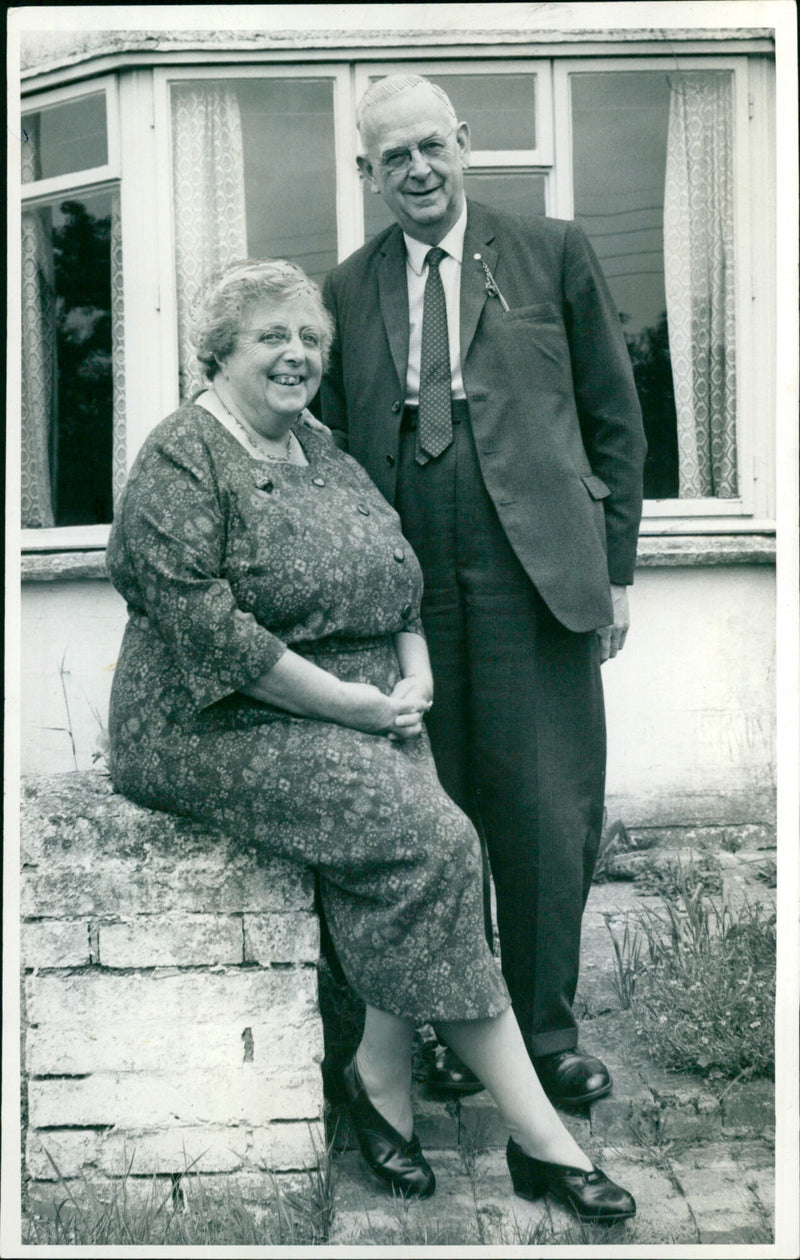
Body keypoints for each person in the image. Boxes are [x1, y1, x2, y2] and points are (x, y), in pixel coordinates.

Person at [105, 258, 635, 1222]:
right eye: (272, 335)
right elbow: (211, 631)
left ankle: (377, 1077)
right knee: (441, 843)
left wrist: (415, 669)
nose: (298, 354)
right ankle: (540, 1140)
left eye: (311, 338)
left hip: (358, 699)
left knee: (425, 848)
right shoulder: (182, 455)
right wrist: (356, 708)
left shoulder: (327, 451)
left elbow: (398, 575)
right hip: (210, 718)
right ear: (218, 350)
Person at [321, 75, 647, 1104]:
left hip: (535, 571)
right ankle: (455, 1039)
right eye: (392, 158)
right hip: (408, 578)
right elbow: (330, 455)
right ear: (365, 173)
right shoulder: (340, 289)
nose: (416, 169)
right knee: (433, 819)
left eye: (431, 146)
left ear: (464, 143)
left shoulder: (551, 251)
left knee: (545, 811)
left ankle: (546, 1038)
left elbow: (613, 416)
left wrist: (617, 566)